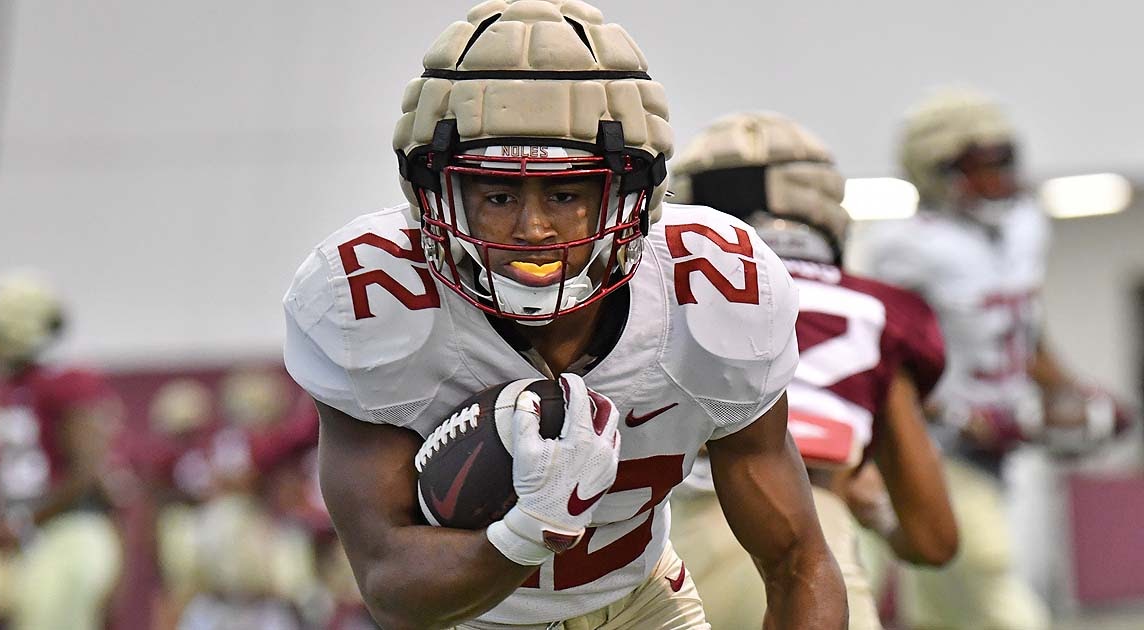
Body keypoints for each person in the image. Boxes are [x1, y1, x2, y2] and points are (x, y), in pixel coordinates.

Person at [282, 1, 846, 628]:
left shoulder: (710, 290)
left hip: (642, 604)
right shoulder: (371, 298)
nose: (533, 227)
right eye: (497, 194)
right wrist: (533, 527)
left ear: (635, 192)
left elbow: (798, 559)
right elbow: (389, 584)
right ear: (433, 192)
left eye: (566, 192)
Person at [849, 87, 1132, 629]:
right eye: (979, 165)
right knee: (989, 578)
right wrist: (952, 415)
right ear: (937, 169)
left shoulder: (1024, 224)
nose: (997, 177)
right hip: (933, 447)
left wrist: (1073, 389)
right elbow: (878, 357)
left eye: (1004, 160)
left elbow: (1024, 332)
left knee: (941, 605)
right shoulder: (901, 245)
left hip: (1002, 445)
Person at [665, 112, 958, 629]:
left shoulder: (647, 295)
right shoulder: (877, 312)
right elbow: (934, 539)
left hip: (667, 553)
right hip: (809, 542)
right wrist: (876, 513)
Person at [0, 271, 124, 630]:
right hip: (22, 534)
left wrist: (24, 524)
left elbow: (86, 472)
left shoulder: (70, 384)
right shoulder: (1, 392)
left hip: (67, 530)